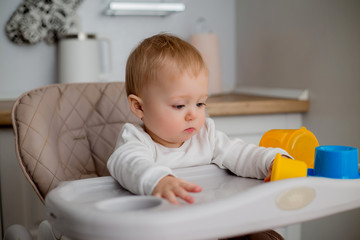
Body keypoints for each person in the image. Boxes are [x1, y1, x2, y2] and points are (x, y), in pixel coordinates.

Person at [107, 33, 290, 205]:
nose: (193, 114)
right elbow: (128, 163)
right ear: (139, 107)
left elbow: (241, 154)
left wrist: (272, 161)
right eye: (179, 105)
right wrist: (159, 180)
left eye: (201, 103)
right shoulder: (135, 140)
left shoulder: (206, 136)